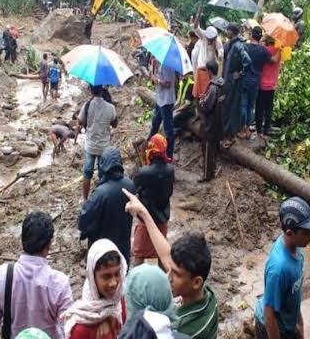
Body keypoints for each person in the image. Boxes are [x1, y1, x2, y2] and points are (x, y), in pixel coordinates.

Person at [124, 190, 218, 339]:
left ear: (196, 282)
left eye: (176, 274)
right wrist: (144, 213)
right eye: (170, 270)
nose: (168, 277)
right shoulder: (207, 295)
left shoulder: (182, 329)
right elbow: (167, 256)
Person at [0, 211, 73, 339]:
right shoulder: (59, 283)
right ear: (49, 244)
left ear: (22, 241)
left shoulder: (1, 276)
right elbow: (69, 329)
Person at [255, 197, 310, 339]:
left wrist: (299, 322)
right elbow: (269, 315)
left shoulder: (296, 248)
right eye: (306, 232)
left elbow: (295, 293)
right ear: (290, 233)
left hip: (287, 321)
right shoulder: (279, 269)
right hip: (271, 328)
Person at [78, 148, 136, 262]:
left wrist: (82, 209)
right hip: (123, 245)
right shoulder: (130, 185)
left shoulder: (100, 193)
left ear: (102, 165)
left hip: (102, 249)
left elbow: (83, 222)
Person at [63, 239, 128, 339]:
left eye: (117, 274)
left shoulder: (118, 301)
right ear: (92, 277)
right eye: (106, 277)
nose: (114, 283)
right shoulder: (81, 327)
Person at [131, 134, 174, 267]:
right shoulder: (170, 170)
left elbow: (134, 188)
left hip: (146, 220)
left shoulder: (143, 172)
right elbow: (169, 192)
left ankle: (134, 283)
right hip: (162, 219)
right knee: (162, 253)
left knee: (139, 255)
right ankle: (166, 283)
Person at [78, 85, 118, 200]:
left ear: (91, 91)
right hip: (104, 146)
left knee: (87, 173)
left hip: (90, 145)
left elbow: (80, 121)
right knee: (102, 174)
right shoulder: (111, 107)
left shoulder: (87, 105)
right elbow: (114, 124)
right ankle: (101, 199)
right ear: (102, 91)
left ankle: (85, 199)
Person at [222, 23, 251, 146]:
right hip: (227, 81)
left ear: (232, 32)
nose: (226, 32)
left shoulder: (239, 46)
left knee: (232, 108)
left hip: (234, 83)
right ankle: (225, 133)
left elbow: (247, 61)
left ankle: (230, 135)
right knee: (226, 106)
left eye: (228, 30)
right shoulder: (229, 44)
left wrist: (240, 73)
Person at [241, 26, 272, 139]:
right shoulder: (263, 51)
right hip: (255, 82)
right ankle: (248, 128)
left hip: (244, 79)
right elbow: (272, 60)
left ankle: (243, 129)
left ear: (251, 35)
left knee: (243, 105)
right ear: (260, 37)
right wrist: (279, 49)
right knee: (250, 106)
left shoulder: (245, 47)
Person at [198, 61, 225, 182]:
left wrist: (201, 102)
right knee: (214, 149)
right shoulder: (222, 82)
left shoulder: (213, 87)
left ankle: (207, 175)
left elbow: (207, 106)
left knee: (208, 149)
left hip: (210, 124)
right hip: (219, 122)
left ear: (209, 71)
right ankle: (212, 170)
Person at [191, 5, 224, 99]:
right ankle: (197, 111)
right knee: (197, 95)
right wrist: (199, 14)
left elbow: (220, 58)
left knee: (206, 95)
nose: (209, 41)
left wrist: (215, 49)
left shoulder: (218, 42)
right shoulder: (204, 36)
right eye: (208, 39)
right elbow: (195, 27)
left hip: (209, 72)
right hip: (200, 69)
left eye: (211, 39)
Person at [148, 56, 176, 159]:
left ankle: (169, 156)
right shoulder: (156, 62)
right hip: (159, 99)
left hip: (166, 101)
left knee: (168, 129)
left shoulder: (167, 66)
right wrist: (151, 71)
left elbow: (168, 84)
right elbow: (152, 80)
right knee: (155, 123)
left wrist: (157, 80)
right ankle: (148, 146)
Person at [256, 35, 281, 140]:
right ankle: (266, 130)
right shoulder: (279, 51)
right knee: (269, 108)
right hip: (272, 85)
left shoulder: (263, 50)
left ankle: (258, 130)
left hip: (261, 83)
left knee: (259, 108)